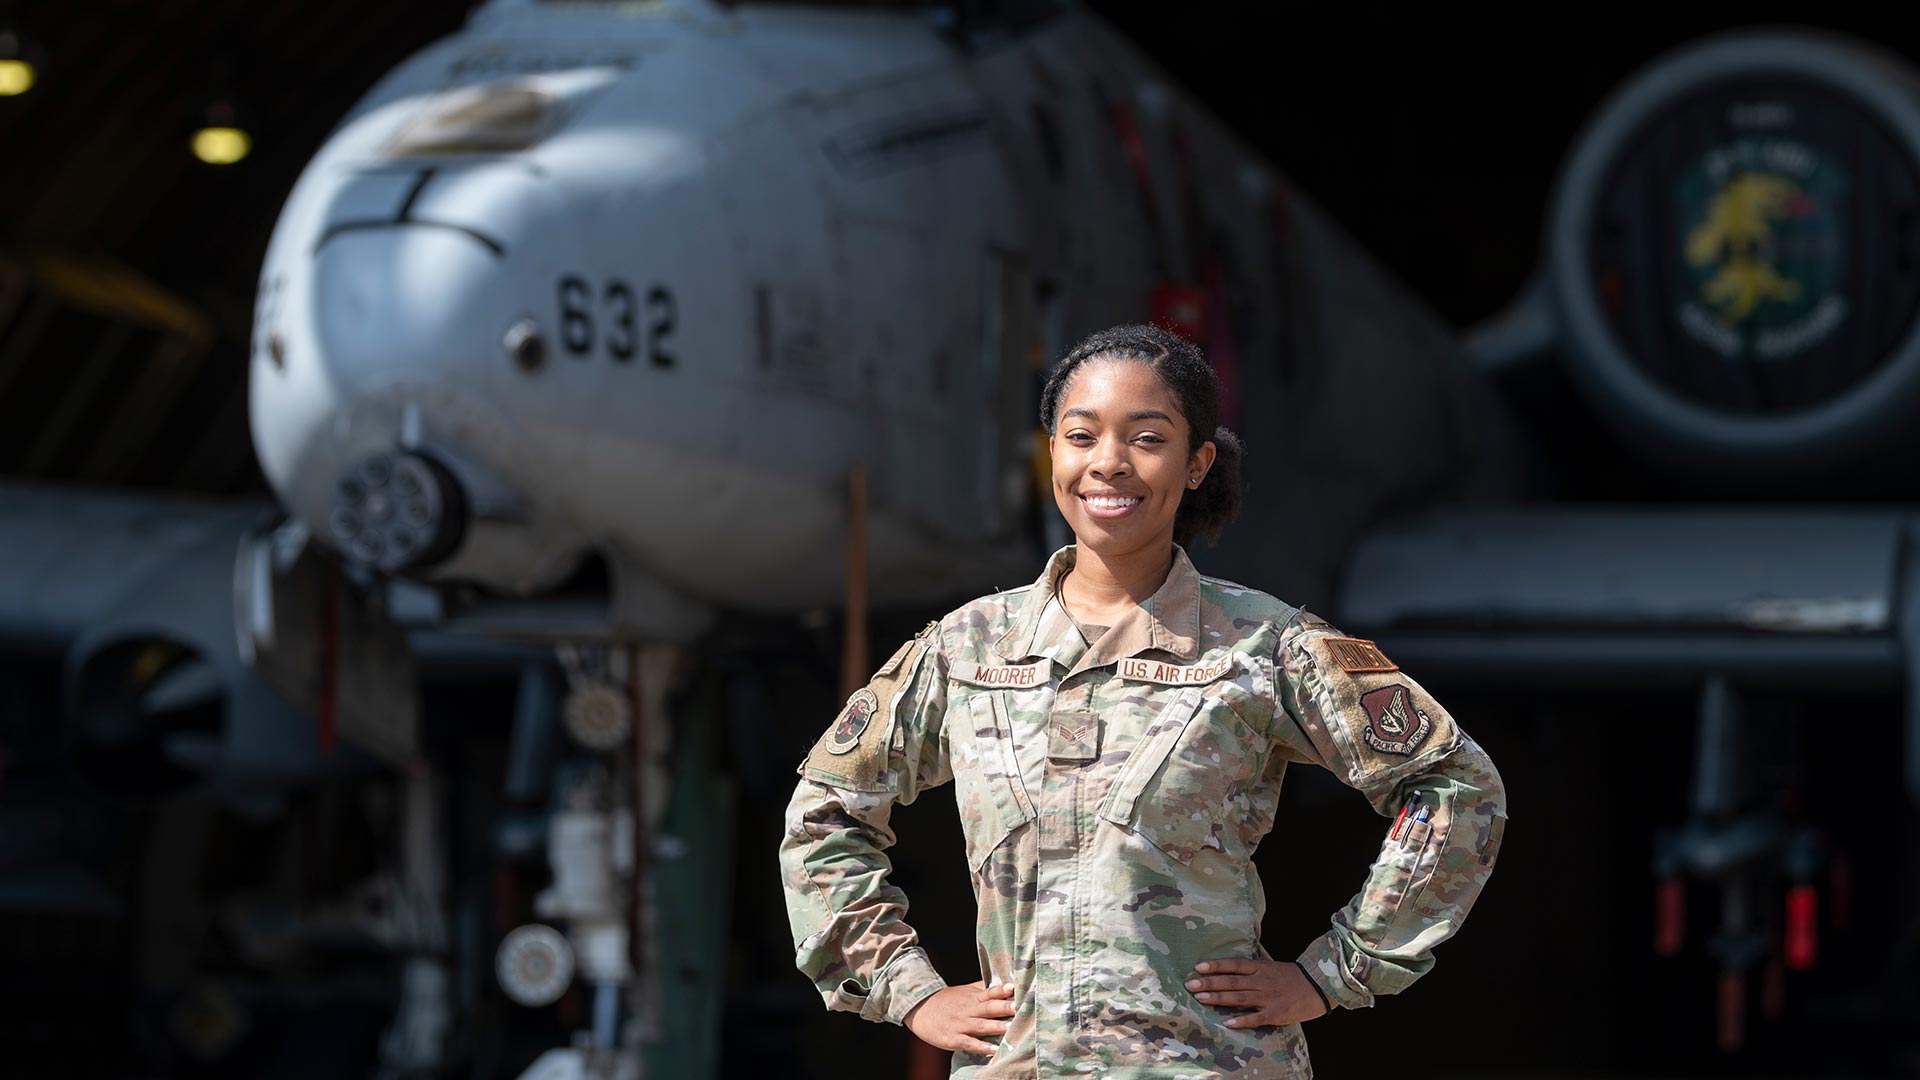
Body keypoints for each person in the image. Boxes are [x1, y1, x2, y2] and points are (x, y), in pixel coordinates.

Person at [779, 324, 1507, 1077]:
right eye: (1081, 436)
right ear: (1052, 455)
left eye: (1147, 438)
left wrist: (1336, 972)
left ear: (1196, 465)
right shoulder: (969, 649)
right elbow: (825, 814)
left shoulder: (1265, 646)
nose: (1109, 463)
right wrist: (908, 992)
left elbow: (1456, 785)